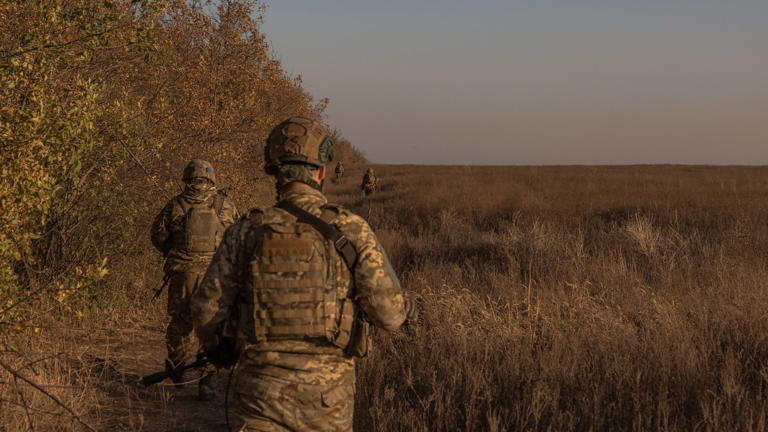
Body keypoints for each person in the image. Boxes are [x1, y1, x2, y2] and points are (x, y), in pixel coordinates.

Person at [191, 117, 418, 431]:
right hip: (327, 402)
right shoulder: (351, 230)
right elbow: (390, 315)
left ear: (274, 173)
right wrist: (409, 306)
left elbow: (205, 309)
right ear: (322, 172)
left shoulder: (244, 232)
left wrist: (224, 350)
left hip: (259, 396)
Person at [150, 159, 239, 401]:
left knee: (180, 323)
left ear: (186, 179)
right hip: (215, 277)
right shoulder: (225, 205)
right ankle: (206, 381)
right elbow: (237, 238)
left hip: (183, 275)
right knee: (211, 327)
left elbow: (157, 234)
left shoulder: (176, 204)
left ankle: (178, 368)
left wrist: (173, 252)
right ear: (212, 180)